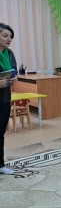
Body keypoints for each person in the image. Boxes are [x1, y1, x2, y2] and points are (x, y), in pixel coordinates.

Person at [0, 23, 17, 175]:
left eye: (11, 37)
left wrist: (14, 78)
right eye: (5, 36)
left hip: (4, 98)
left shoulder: (9, 53)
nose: (9, 39)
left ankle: (1, 165)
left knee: (0, 133)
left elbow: (14, 70)